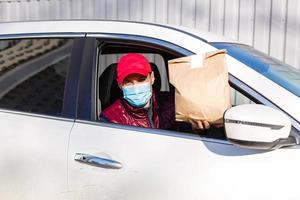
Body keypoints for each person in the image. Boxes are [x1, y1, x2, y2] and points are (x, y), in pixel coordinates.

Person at [100, 53, 210, 131]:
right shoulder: (110, 119)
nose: (136, 87)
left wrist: (197, 129)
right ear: (120, 84)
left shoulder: (171, 103)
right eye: (128, 82)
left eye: (141, 80)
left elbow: (186, 131)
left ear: (152, 77)